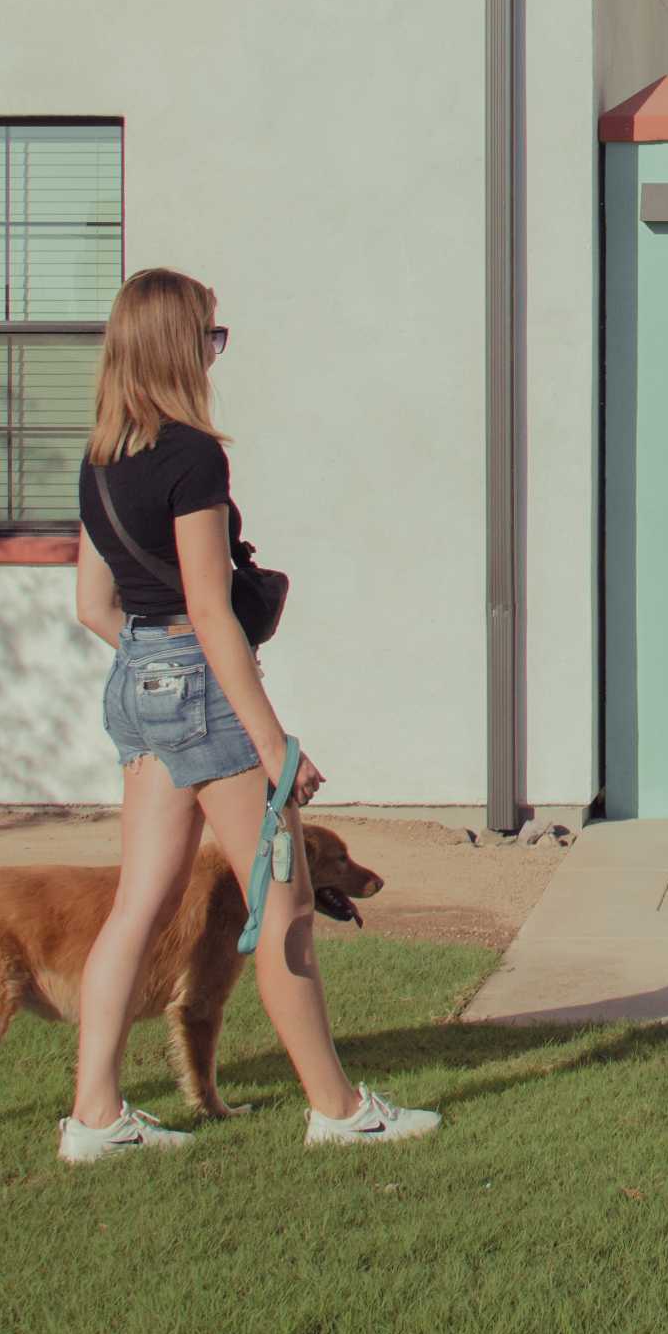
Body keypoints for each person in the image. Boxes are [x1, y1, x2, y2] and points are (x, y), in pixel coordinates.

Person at [59, 267, 435, 1161]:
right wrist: (273, 746)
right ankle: (340, 1111)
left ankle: (95, 1118)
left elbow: (91, 605)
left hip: (140, 678)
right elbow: (211, 604)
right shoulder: (192, 457)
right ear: (173, 346)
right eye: (208, 336)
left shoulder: (101, 459)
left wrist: (155, 675)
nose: (213, 352)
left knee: (138, 906)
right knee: (287, 903)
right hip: (200, 678)